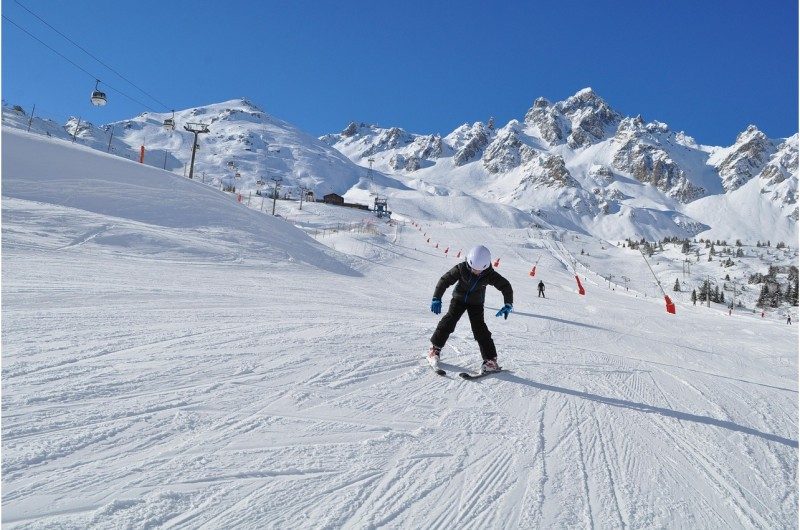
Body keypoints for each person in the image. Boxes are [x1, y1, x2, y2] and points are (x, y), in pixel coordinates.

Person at [428, 245, 513, 373]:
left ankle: (490, 361)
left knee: (480, 328)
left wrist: (508, 303)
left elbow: (505, 286)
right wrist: (436, 297)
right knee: (449, 321)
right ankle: (434, 349)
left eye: (479, 270)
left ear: (485, 266)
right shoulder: (461, 268)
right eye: (473, 269)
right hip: (458, 299)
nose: (475, 272)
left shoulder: (489, 274)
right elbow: (445, 280)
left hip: (476, 303)